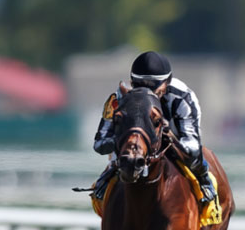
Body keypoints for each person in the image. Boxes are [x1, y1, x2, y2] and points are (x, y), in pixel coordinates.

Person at [91, 51, 217, 205]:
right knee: (118, 160)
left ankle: (203, 178)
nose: (146, 93)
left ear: (167, 83)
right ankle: (109, 174)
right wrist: (124, 138)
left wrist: (168, 135)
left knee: (193, 157)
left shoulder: (182, 97)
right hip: (134, 143)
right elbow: (99, 144)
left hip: (173, 132)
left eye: (152, 86)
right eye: (140, 85)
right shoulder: (120, 97)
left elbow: (192, 147)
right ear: (131, 82)